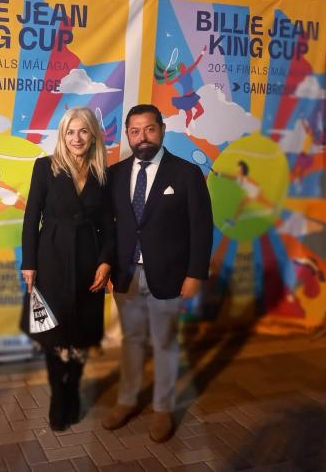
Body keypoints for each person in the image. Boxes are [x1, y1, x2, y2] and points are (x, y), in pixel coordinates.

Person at [104, 104, 213, 442]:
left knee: (165, 341)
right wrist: (106, 264)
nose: (142, 137)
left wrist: (194, 274)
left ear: (162, 130)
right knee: (132, 341)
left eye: (149, 129)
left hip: (169, 275)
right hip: (126, 276)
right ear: (127, 134)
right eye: (134, 131)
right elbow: (107, 228)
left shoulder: (186, 174)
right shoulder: (116, 174)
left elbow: (202, 227)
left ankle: (163, 408)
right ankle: (126, 401)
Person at [21, 107, 114, 431]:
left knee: (82, 332)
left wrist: (106, 261)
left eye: (83, 131)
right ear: (63, 135)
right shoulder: (44, 167)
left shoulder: (104, 173)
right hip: (51, 258)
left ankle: (73, 387)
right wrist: (29, 263)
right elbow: (32, 217)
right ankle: (58, 396)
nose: (77, 138)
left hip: (89, 259)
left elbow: (108, 225)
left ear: (92, 136)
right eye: (70, 132)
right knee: (52, 333)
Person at [214, 160, 276, 226]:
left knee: (245, 204)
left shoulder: (240, 177)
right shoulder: (239, 176)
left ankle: (233, 221)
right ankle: (233, 221)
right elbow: (229, 177)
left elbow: (229, 176)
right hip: (253, 193)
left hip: (255, 192)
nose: (238, 169)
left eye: (239, 168)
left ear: (243, 170)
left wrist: (218, 174)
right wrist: (219, 174)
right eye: (238, 167)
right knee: (246, 204)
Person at [163, 46, 207, 128]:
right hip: (186, 99)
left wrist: (202, 52)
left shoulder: (188, 71)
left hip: (192, 96)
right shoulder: (179, 77)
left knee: (201, 111)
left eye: (184, 65)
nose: (184, 66)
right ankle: (187, 128)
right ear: (180, 69)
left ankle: (193, 121)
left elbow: (196, 62)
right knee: (189, 116)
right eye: (183, 66)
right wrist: (165, 76)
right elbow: (168, 83)